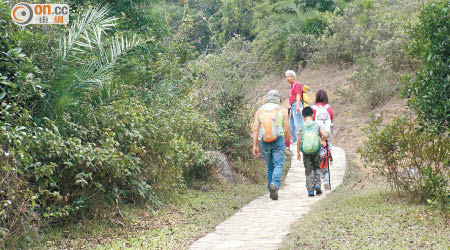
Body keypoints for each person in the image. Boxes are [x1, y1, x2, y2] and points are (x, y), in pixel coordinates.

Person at [252, 90, 290, 200]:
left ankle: (271, 190)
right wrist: (287, 142)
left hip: (264, 141)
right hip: (278, 140)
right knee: (278, 164)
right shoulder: (282, 110)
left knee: (270, 167)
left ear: (267, 98)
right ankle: (275, 184)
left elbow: (255, 129)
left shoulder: (259, 110)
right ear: (278, 99)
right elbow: (286, 129)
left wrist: (255, 145)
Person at [297, 106, 328, 197]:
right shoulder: (316, 125)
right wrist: (321, 140)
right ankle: (317, 185)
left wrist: (298, 152)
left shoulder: (301, 127)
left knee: (308, 170)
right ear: (312, 115)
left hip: (306, 152)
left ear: (303, 117)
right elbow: (325, 135)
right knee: (317, 167)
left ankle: (310, 190)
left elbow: (299, 140)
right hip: (316, 150)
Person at [312, 89, 334, 190]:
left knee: (317, 155)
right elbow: (331, 120)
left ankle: (320, 176)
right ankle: (326, 179)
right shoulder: (328, 108)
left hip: (317, 135)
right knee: (326, 154)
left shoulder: (313, 108)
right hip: (327, 135)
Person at [285, 70, 303, 145]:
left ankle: (301, 140)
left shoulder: (297, 84)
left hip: (296, 104)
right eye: (286, 77)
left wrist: (298, 105)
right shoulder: (291, 86)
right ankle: (295, 140)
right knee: (291, 124)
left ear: (293, 77)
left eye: (288, 76)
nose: (287, 78)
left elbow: (298, 95)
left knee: (297, 123)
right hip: (292, 106)